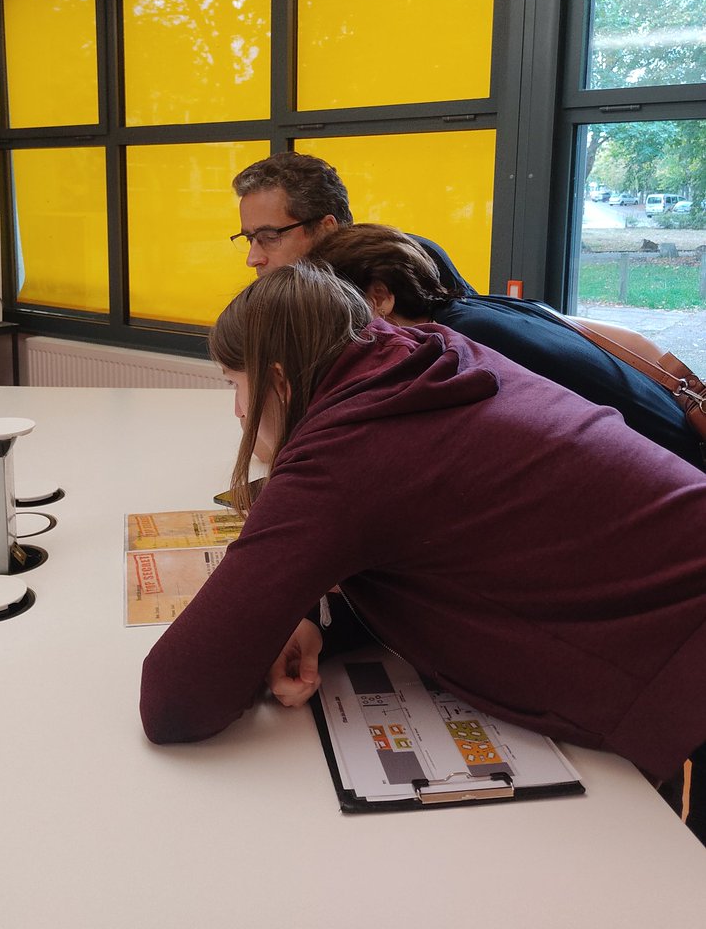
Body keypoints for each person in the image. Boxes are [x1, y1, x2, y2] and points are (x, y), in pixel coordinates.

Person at [140, 261, 706, 843]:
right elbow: (448, 543)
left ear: (278, 381)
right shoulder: (430, 352)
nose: (238, 412)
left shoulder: (346, 449)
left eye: (236, 385)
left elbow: (176, 701)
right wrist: (318, 620)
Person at [308, 223, 705, 470]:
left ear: (380, 297)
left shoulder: (461, 346)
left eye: (334, 311)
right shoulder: (480, 307)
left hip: (674, 484)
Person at [231, 152, 474, 292]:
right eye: (250, 239)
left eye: (270, 237)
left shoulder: (402, 265)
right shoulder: (295, 296)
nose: (252, 259)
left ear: (327, 228)